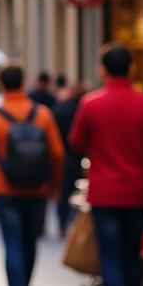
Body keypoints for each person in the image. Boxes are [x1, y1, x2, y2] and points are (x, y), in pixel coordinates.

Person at [69, 43, 143, 286]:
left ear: (103, 70)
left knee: (110, 256)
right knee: (132, 255)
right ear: (132, 68)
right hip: (137, 191)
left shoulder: (91, 103)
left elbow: (76, 141)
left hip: (104, 192)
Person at [0, 64, 63, 286]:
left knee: (12, 241)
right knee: (30, 240)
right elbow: (57, 153)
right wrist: (54, 185)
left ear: (2, 84)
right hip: (37, 189)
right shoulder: (43, 114)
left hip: (5, 189)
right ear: (24, 82)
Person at [52, 82, 85, 233]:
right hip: (78, 156)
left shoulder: (59, 110)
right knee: (77, 190)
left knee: (63, 192)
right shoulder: (80, 109)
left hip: (64, 154)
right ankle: (75, 222)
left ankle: (62, 222)